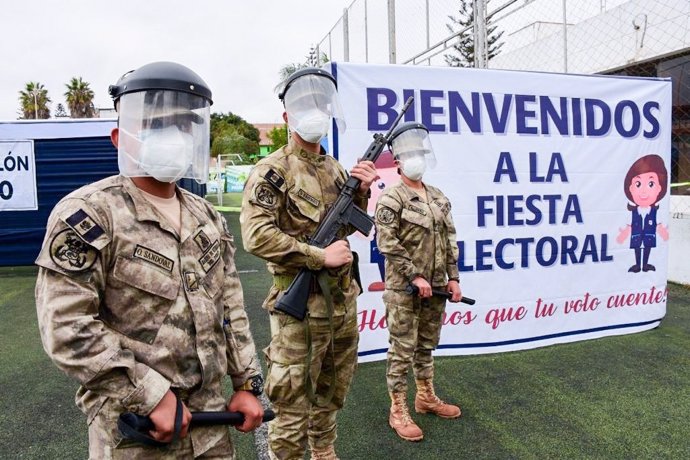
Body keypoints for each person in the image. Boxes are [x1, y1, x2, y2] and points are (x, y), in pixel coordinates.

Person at [35, 61, 265, 458]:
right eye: (156, 125)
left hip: (211, 425)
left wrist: (247, 384)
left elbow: (230, 307)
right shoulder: (90, 214)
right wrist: (151, 395)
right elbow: (66, 327)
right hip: (135, 431)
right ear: (119, 138)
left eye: (182, 125)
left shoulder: (205, 214)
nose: (173, 137)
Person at [240, 67, 377, 460]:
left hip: (340, 304)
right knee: (292, 401)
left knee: (333, 390)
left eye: (320, 105)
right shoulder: (273, 172)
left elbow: (348, 229)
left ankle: (325, 451)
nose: (314, 113)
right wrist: (318, 255)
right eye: (305, 107)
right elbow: (256, 236)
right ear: (287, 117)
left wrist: (362, 193)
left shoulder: (334, 168)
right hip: (300, 311)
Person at [374, 122, 463, 442]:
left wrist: (453, 278)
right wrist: (414, 274)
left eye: (419, 153)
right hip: (404, 289)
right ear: (398, 161)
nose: (416, 160)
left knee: (426, 345)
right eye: (409, 155)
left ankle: (425, 397)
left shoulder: (438, 197)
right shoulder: (391, 199)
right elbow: (387, 243)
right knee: (402, 348)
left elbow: (450, 239)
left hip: (437, 287)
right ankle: (397, 408)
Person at [616, 154, 669, 272]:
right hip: (636, 234)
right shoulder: (633, 211)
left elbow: (659, 225)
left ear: (660, 188)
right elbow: (629, 225)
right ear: (630, 188)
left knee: (647, 247)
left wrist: (664, 233)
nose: (644, 191)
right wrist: (622, 235)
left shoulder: (655, 211)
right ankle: (637, 264)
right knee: (637, 247)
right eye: (638, 184)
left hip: (649, 235)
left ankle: (645, 265)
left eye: (651, 184)